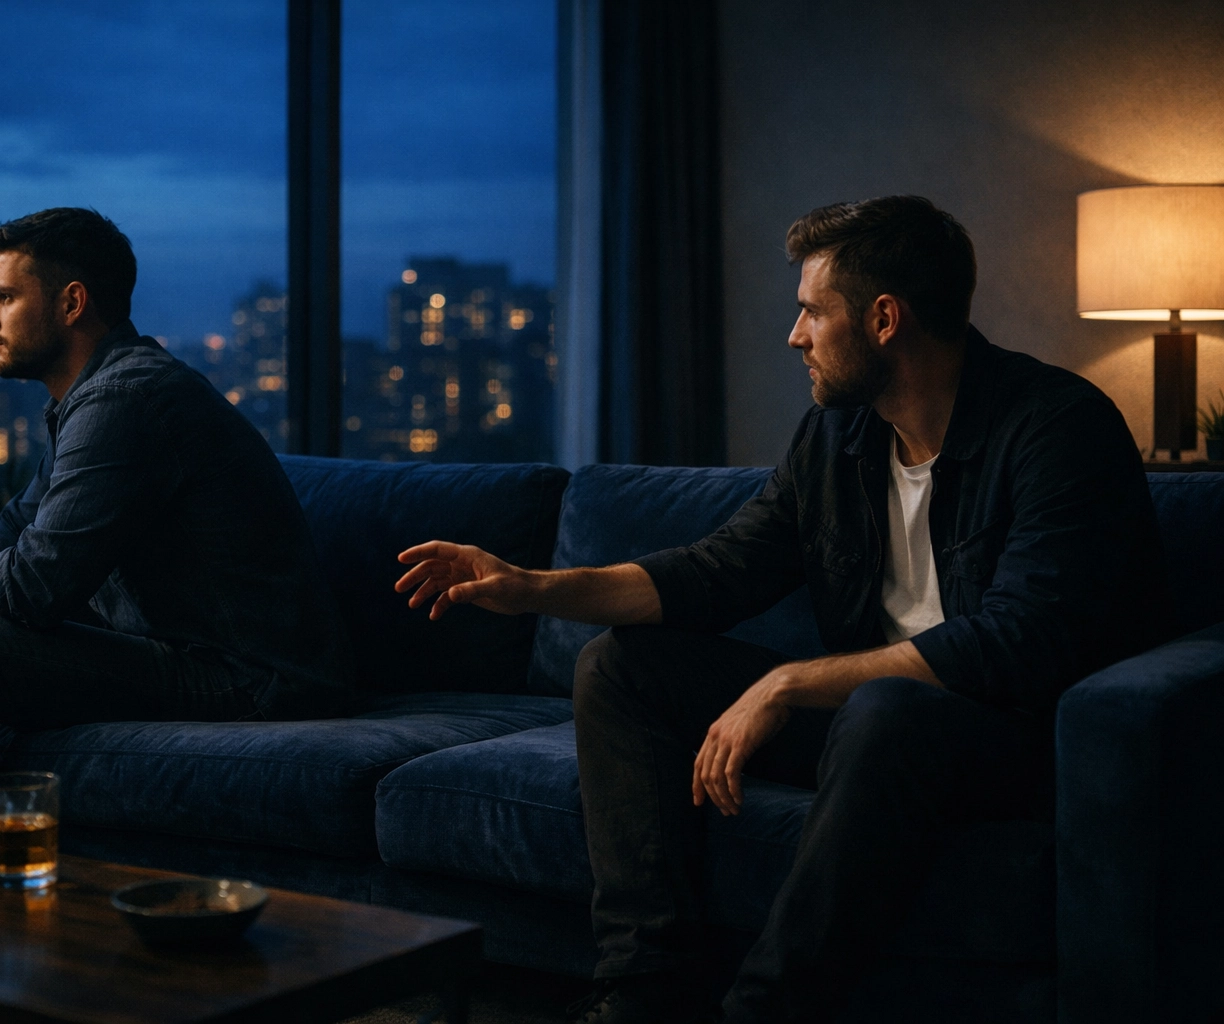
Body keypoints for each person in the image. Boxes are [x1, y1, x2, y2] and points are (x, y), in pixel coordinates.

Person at [394, 196, 1170, 1023]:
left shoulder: (1057, 426)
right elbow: (714, 573)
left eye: (810, 311)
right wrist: (529, 586)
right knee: (623, 668)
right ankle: (644, 993)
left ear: (882, 318)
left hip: (1008, 735)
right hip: (869, 727)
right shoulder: (835, 439)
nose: (795, 336)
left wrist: (791, 682)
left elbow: (1023, 641)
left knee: (885, 709)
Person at [0, 207, 351, 837]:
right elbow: (13, 527)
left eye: (5, 298)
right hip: (186, 659)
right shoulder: (90, 396)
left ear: (72, 303)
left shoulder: (128, 398)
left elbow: (34, 584)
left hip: (249, 681)